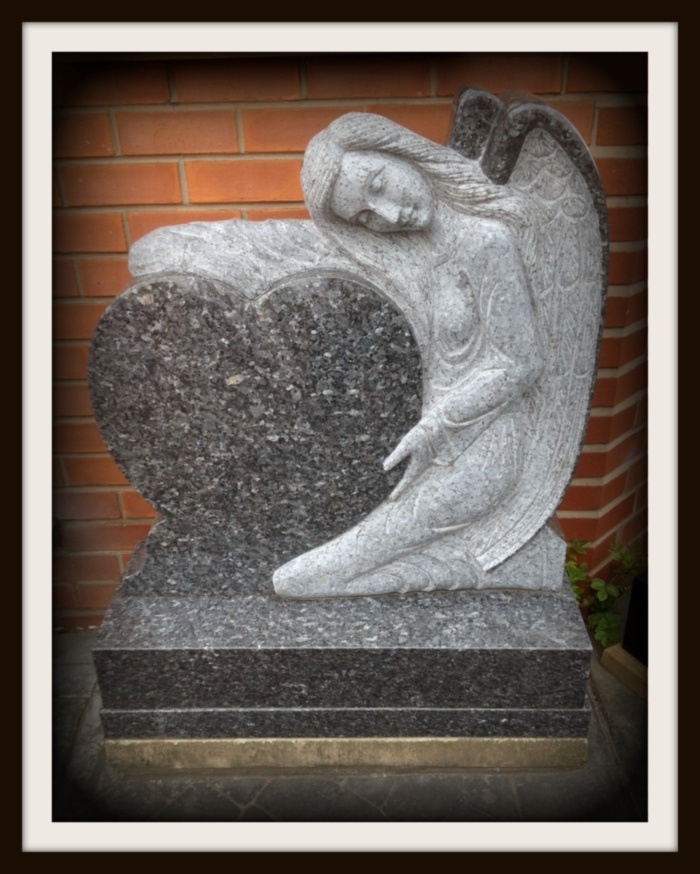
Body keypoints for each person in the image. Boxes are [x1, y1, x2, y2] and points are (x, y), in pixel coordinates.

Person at [268, 114, 545, 598]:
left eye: (379, 183)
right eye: (366, 217)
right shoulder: (420, 252)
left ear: (399, 152)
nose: (390, 215)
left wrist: (437, 426)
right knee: (310, 572)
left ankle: (472, 569)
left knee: (303, 581)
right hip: (432, 451)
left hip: (480, 454)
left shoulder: (487, 241)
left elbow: (522, 362)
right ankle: (464, 566)